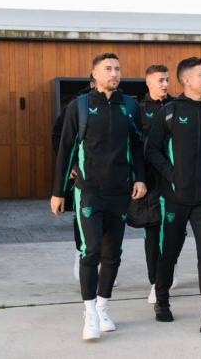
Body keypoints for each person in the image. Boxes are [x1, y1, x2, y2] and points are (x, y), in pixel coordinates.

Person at [50, 53, 147, 340]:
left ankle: (103, 307)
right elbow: (66, 150)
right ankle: (89, 312)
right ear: (93, 74)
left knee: (112, 254)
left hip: (120, 192)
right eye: (108, 69)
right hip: (88, 191)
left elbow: (137, 146)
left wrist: (140, 177)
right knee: (90, 251)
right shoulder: (78, 107)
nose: (114, 73)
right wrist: (58, 192)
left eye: (117, 68)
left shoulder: (129, 106)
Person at [146, 56, 201, 334]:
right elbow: (152, 151)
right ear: (186, 80)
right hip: (175, 197)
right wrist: (172, 176)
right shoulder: (170, 111)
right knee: (169, 253)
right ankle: (162, 301)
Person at [139, 64, 184, 303]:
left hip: (174, 180)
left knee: (175, 232)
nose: (165, 84)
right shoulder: (139, 110)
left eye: (167, 79)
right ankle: (155, 282)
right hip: (150, 182)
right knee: (152, 233)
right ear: (149, 83)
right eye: (160, 80)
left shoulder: (176, 107)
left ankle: (168, 268)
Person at [52, 75, 96, 281]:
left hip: (109, 179)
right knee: (82, 218)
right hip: (81, 174)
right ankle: (81, 254)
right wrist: (71, 166)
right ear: (92, 82)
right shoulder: (76, 107)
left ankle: (101, 267)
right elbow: (61, 139)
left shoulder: (119, 105)